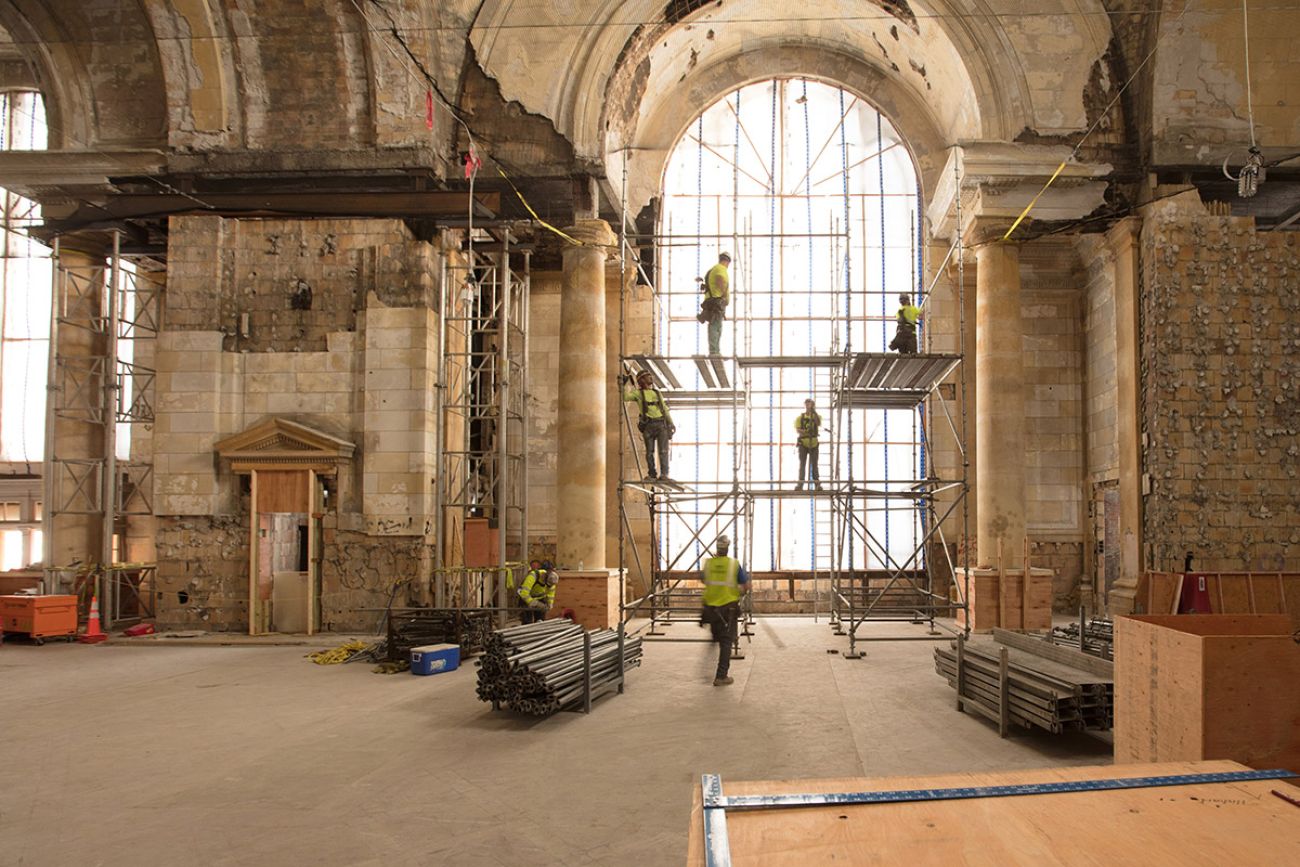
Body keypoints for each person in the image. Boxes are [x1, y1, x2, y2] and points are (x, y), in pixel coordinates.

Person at [699, 534, 749, 686]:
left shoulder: (708, 564)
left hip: (711, 610)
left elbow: (703, 579)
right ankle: (721, 676)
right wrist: (741, 592)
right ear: (728, 548)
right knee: (726, 643)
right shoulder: (733, 564)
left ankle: (709, 665)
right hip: (728, 610)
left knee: (717, 637)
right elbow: (745, 585)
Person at [622, 369, 676, 481]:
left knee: (663, 451)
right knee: (649, 452)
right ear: (642, 380)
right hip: (648, 425)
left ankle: (664, 474)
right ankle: (652, 474)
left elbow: (664, 409)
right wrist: (623, 384)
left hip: (661, 424)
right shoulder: (638, 393)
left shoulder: (657, 393)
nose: (651, 378)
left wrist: (671, 422)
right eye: (648, 376)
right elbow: (624, 397)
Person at [698, 252, 732, 356]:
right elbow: (720, 280)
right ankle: (714, 352)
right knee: (715, 327)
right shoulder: (721, 269)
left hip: (713, 301)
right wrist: (725, 296)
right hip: (716, 301)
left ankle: (715, 350)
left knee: (716, 327)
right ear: (727, 261)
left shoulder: (714, 268)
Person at [794, 399, 823, 491]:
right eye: (806, 403)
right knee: (802, 464)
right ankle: (800, 484)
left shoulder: (816, 416)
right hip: (803, 443)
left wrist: (813, 412)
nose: (808, 405)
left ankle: (817, 484)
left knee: (814, 464)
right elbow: (798, 429)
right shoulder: (800, 418)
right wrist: (806, 431)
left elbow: (818, 423)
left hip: (814, 443)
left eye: (810, 403)